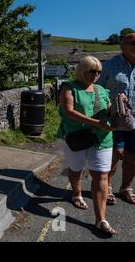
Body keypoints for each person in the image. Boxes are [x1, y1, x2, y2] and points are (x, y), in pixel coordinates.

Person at [57, 55, 116, 235]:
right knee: (76, 170)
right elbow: (68, 111)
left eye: (99, 72)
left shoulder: (101, 89)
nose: (96, 75)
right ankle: (77, 193)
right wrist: (95, 122)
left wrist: (120, 106)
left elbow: (110, 110)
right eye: (93, 71)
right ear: (82, 71)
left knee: (101, 176)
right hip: (77, 138)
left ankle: (101, 220)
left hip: (102, 138)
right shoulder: (69, 87)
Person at [97, 32, 135, 205]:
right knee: (116, 153)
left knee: (133, 155)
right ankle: (109, 186)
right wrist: (103, 113)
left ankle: (126, 187)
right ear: (122, 46)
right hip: (115, 118)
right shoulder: (110, 65)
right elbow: (97, 90)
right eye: (133, 43)